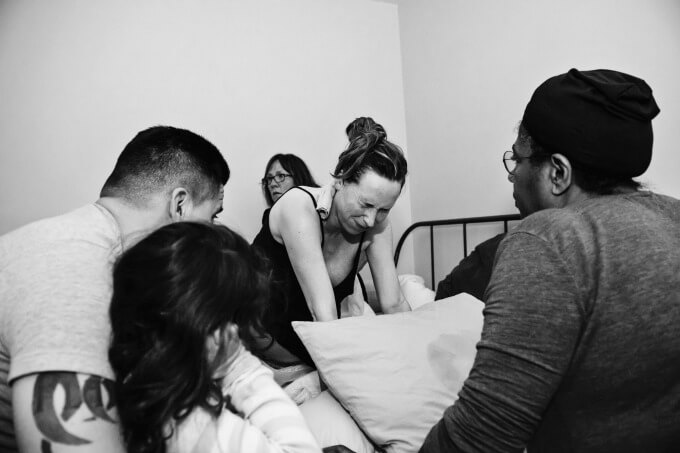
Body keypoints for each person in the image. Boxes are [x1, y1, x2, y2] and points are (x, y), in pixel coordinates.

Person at [420, 68, 680, 452]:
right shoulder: (673, 216)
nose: (512, 177)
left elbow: (481, 435)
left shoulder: (547, 238)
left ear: (557, 173)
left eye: (518, 159)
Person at [0, 126, 229, 453]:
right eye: (212, 216)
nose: (213, 234)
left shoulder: (103, 255)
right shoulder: (76, 272)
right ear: (180, 205)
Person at [108, 221, 321, 453]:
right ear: (210, 328)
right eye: (240, 324)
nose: (241, 341)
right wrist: (241, 369)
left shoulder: (139, 385)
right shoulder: (194, 426)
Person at [252, 117, 411, 367]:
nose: (371, 220)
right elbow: (322, 312)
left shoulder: (377, 225)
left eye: (384, 209)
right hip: (265, 339)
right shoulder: (299, 207)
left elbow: (394, 303)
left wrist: (417, 354)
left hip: (309, 343)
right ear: (339, 179)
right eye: (366, 204)